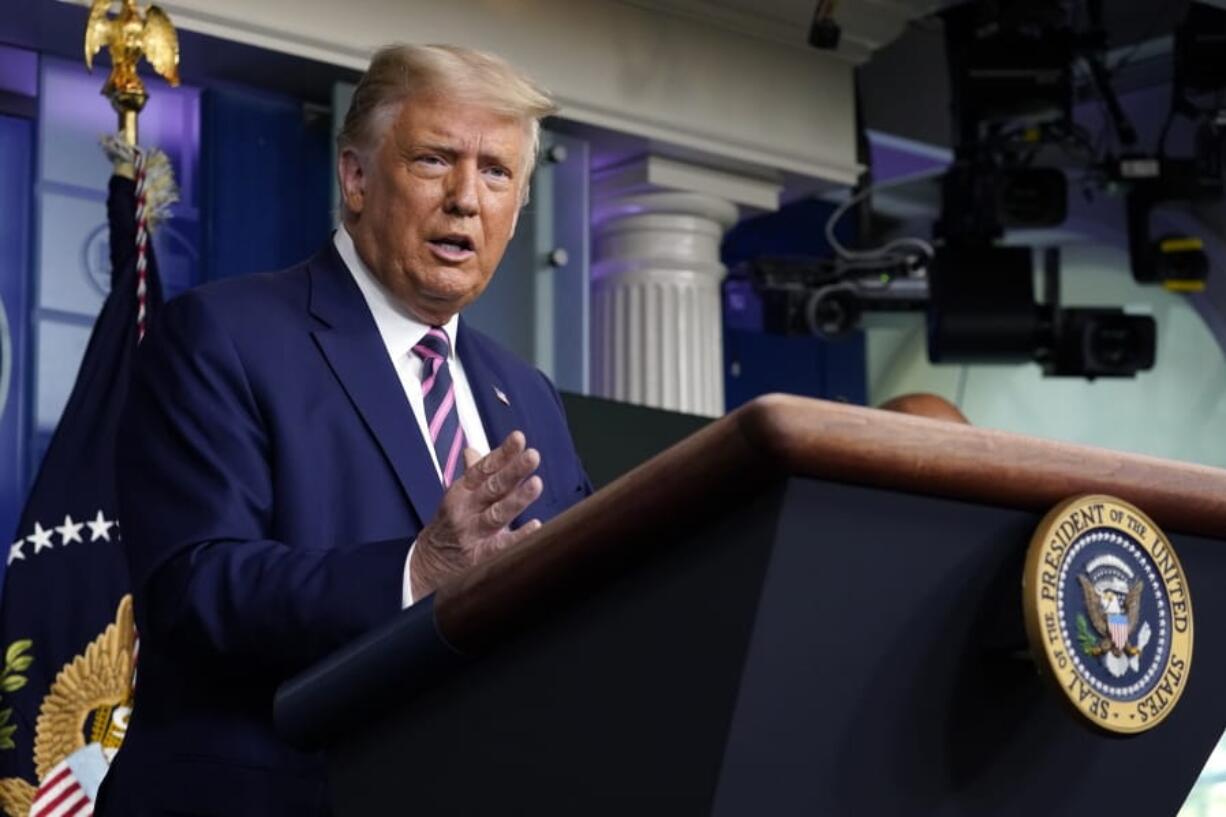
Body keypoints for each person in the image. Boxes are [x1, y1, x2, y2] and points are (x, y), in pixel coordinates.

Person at [97, 44, 592, 816]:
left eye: (497, 172)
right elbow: (193, 587)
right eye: (435, 160)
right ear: (356, 177)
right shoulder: (223, 335)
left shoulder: (526, 394)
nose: (467, 198)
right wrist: (415, 574)